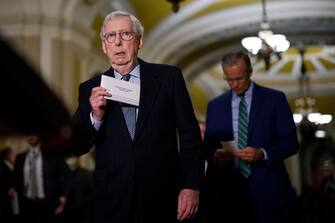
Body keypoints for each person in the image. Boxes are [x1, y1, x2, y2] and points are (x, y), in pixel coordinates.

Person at [72, 11, 204, 223]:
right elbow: (77, 146)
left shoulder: (169, 78)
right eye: (110, 36)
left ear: (139, 41)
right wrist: (95, 115)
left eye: (125, 34)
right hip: (112, 201)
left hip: (163, 197)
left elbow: (190, 136)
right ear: (104, 46)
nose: (117, 42)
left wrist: (191, 185)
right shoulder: (90, 88)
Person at [202, 51, 299, 223]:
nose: (234, 84)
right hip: (228, 193)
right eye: (229, 80)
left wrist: (262, 153)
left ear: (250, 72)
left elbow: (291, 142)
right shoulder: (215, 106)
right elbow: (208, 146)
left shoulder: (274, 99)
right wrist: (216, 155)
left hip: (268, 191)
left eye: (239, 79)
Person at [15, 134, 71, 223]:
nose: (31, 135)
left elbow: (68, 176)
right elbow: (16, 180)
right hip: (26, 205)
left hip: (49, 205)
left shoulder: (53, 155)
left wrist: (64, 197)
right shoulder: (20, 158)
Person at [0, 146, 18, 222]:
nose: (15, 157)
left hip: (11, 201)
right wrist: (6, 191)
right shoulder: (2, 167)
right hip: (5, 203)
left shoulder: (10, 166)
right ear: (9, 156)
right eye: (14, 154)